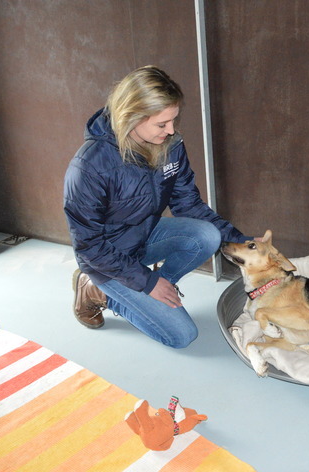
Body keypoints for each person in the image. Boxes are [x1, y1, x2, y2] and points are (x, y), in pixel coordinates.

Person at [64, 65, 248, 348]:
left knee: (207, 235)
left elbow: (188, 203)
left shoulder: (170, 144)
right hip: (105, 259)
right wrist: (148, 283)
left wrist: (242, 242)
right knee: (182, 336)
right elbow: (89, 247)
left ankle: (147, 291)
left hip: (143, 235)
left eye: (173, 120)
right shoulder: (90, 166)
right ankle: (98, 291)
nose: (172, 130)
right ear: (131, 117)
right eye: (162, 124)